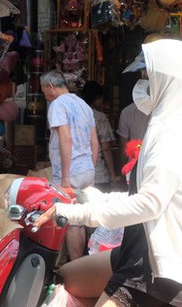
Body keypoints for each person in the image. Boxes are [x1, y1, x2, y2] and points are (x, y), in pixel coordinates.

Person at [35, 39, 182, 307]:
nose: (142, 83)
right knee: (64, 279)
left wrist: (80, 213)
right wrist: (92, 196)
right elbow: (141, 192)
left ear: (168, 80)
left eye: (148, 76)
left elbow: (151, 203)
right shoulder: (160, 122)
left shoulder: (171, 132)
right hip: (134, 247)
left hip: (153, 266)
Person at [40, 69, 99, 261]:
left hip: (70, 172)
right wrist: (91, 166)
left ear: (50, 87)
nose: (45, 96)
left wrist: (65, 176)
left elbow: (66, 138)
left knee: (70, 221)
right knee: (79, 221)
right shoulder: (83, 105)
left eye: (43, 91)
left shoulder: (57, 105)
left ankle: (74, 267)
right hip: (86, 170)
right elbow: (94, 141)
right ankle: (78, 264)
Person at [82, 81, 117, 193]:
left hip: (77, 173)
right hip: (98, 175)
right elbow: (106, 148)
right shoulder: (99, 117)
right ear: (97, 97)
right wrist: (112, 175)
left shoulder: (74, 115)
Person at [116, 52, 150, 170]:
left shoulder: (127, 112)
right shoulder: (167, 110)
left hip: (134, 165)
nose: (143, 73)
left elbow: (123, 147)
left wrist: (121, 168)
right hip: (154, 164)